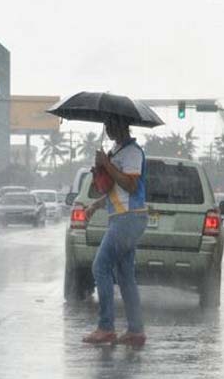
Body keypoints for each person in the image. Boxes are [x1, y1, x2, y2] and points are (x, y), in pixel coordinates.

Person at [82, 116, 148, 347]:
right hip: (121, 218)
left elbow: (130, 186)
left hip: (128, 219)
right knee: (125, 275)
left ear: (123, 125)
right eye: (107, 125)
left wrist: (107, 165)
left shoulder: (132, 153)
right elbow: (113, 190)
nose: (108, 129)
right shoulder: (116, 151)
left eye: (112, 124)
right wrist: (95, 203)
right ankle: (135, 330)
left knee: (100, 266)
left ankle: (106, 327)